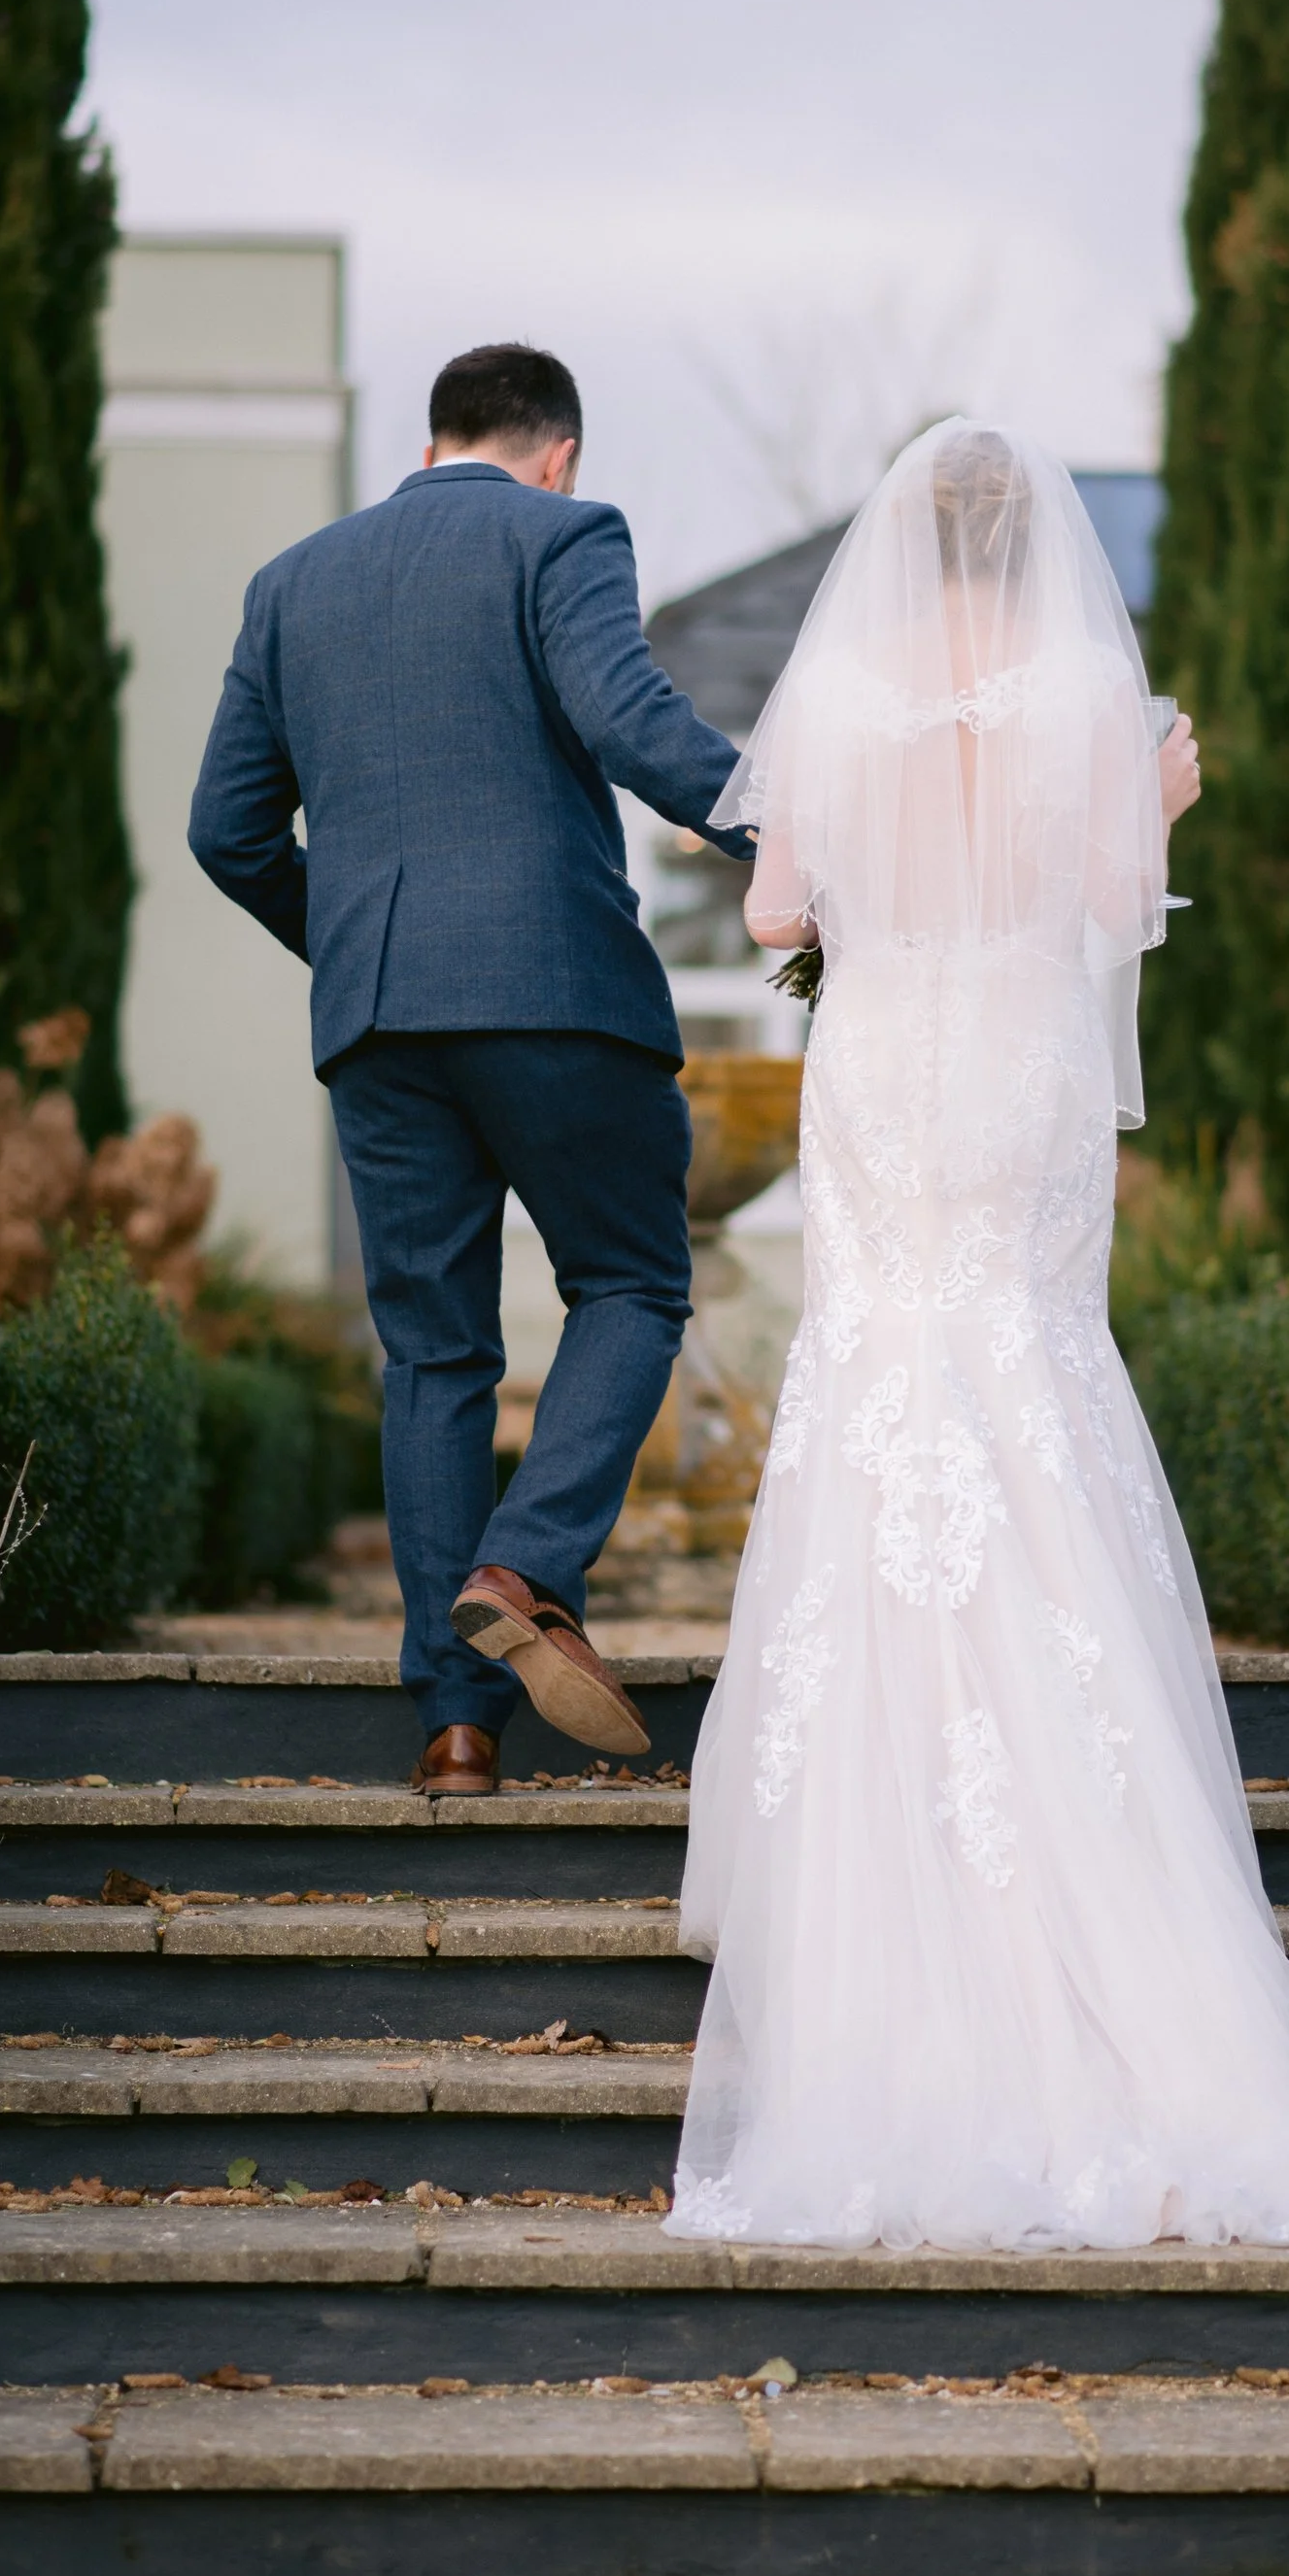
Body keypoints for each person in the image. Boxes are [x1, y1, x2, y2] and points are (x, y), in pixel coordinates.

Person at [671, 419, 1289, 2251]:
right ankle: (1094, 1817)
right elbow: (1117, 913)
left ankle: (866, 1844)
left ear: (900, 541)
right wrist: (1155, 804)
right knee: (1020, 1361)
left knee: (882, 1369)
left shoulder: (841, 685)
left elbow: (780, 908)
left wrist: (883, 881)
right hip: (1021, 1052)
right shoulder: (1096, 697)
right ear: (1038, 547)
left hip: (883, 1056)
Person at [187, 342, 752, 1793]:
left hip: (378, 1017)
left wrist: (366, 941)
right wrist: (795, 827)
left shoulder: (293, 582)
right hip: (557, 990)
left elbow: (226, 834)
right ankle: (527, 1565)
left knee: (434, 1353)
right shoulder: (563, 534)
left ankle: (454, 1727)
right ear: (555, 452)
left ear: (437, 438)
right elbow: (634, 725)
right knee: (631, 1280)